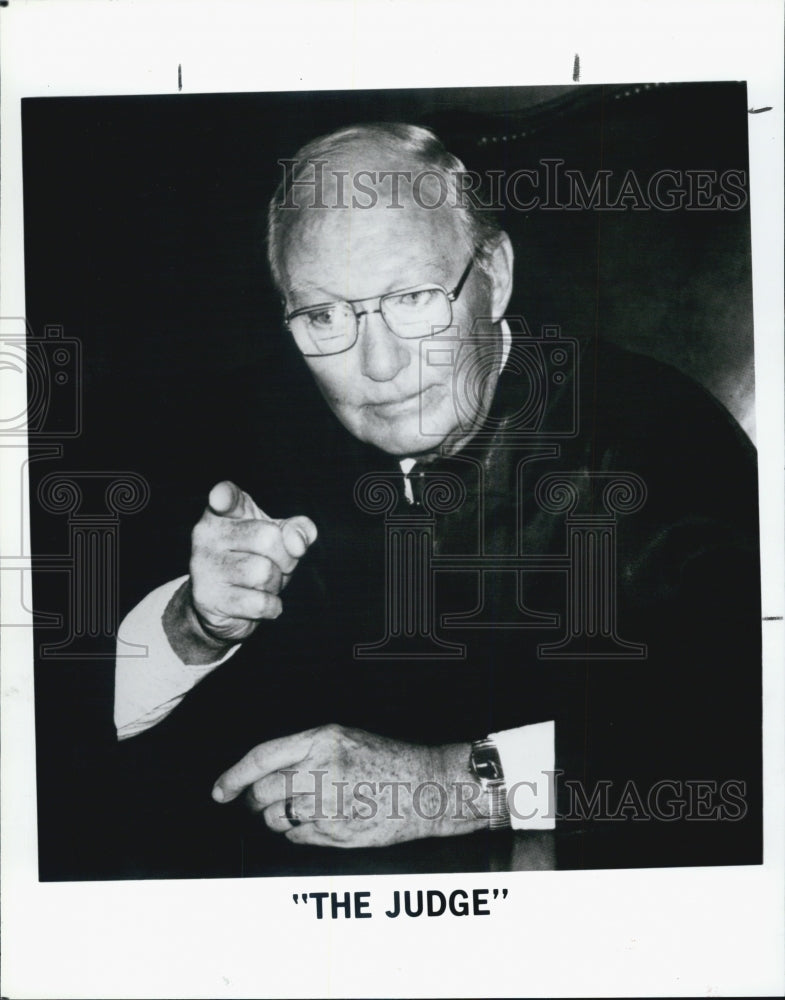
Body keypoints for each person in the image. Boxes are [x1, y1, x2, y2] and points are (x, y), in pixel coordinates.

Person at [113, 123, 761, 877]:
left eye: (415, 298)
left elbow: (739, 731)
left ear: (495, 273)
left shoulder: (655, 438)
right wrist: (196, 625)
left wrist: (451, 785)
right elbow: (53, 736)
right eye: (323, 315)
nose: (378, 365)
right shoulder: (246, 430)